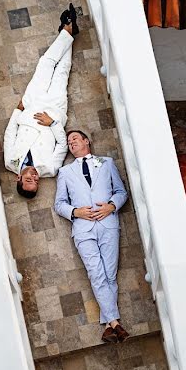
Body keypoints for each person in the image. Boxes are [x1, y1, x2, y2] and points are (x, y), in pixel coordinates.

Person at [53, 130, 130, 343]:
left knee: (110, 273)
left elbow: (121, 192)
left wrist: (111, 207)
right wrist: (76, 212)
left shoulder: (106, 162)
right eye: (68, 142)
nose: (71, 143)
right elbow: (59, 204)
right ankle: (115, 322)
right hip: (83, 229)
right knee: (96, 273)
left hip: (108, 224)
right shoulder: (65, 172)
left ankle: (109, 326)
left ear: (86, 141)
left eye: (74, 139)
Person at [4, 4, 79, 199]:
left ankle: (68, 31)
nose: (34, 178)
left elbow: (10, 134)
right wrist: (52, 123)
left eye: (29, 180)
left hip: (31, 106)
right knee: (62, 72)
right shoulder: (50, 169)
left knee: (45, 63)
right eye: (36, 183)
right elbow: (63, 145)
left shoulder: (10, 162)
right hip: (53, 111)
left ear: (18, 178)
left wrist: (17, 110)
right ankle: (67, 31)